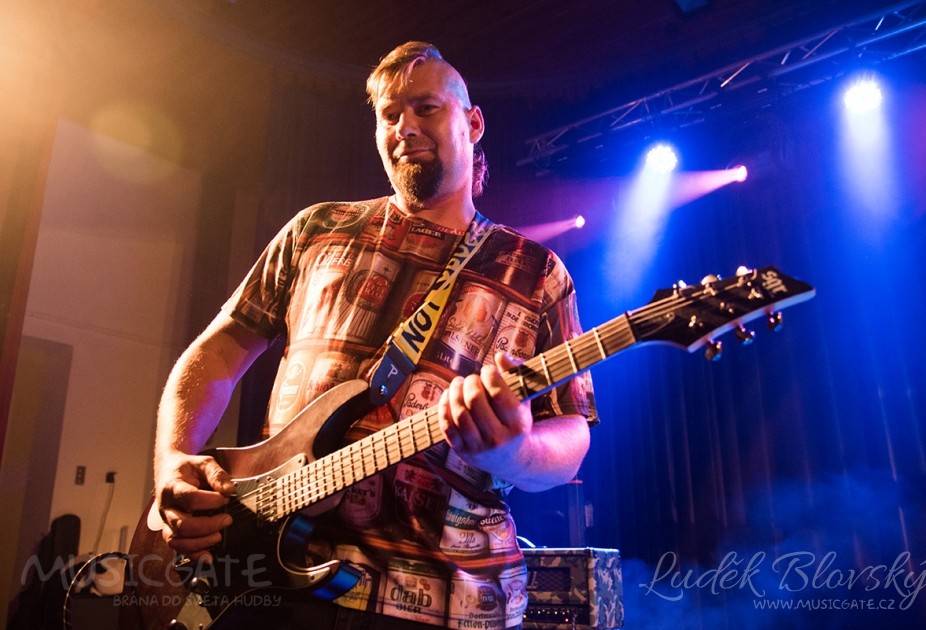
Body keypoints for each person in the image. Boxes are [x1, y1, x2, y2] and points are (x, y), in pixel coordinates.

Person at [152, 41, 596, 629]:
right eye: (389, 115)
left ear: (473, 123)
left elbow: (571, 432)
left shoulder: (535, 272)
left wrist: (515, 451)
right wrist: (171, 461)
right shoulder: (316, 230)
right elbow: (217, 350)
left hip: (451, 601)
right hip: (275, 582)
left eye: (425, 108)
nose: (404, 127)